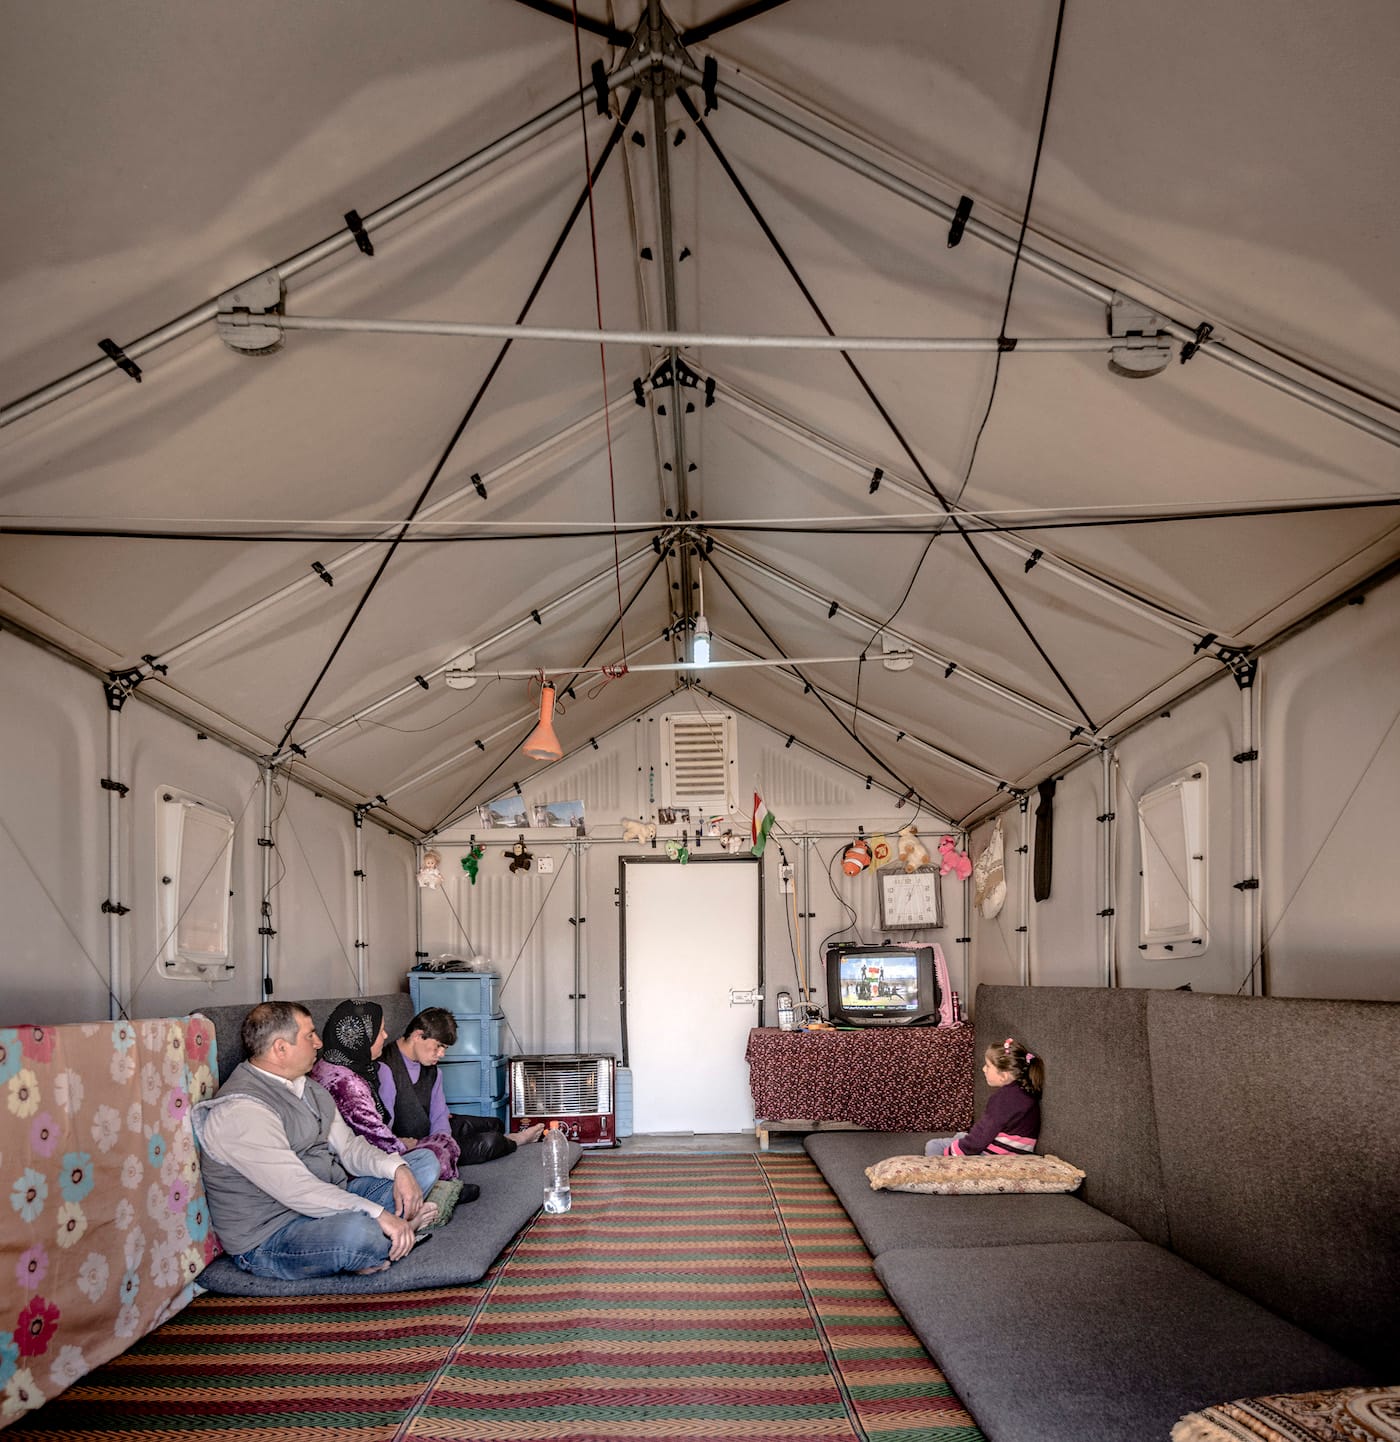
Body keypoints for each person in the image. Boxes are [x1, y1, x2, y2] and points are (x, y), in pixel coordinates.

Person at [192, 1000, 442, 1280]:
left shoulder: (309, 1088)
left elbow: (349, 1148)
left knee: (424, 1163)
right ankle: (398, 1228)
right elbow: (298, 1190)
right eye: (309, 1035)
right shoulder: (241, 1111)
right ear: (280, 1048)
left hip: (330, 1201)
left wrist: (398, 1169)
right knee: (358, 1232)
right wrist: (378, 1215)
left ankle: (392, 1234)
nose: (319, 1043)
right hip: (276, 1233)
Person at [310, 998, 461, 1180]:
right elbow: (377, 1141)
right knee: (433, 1156)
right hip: (362, 1167)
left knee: (470, 1131)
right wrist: (404, 1145)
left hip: (369, 1152)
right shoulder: (348, 1085)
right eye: (380, 1031)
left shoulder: (334, 1064)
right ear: (360, 1037)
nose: (386, 1036)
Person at [380, 1007, 545, 1168]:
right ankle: (517, 1140)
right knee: (490, 1142)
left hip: (431, 1131)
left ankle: (501, 1138)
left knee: (495, 1124)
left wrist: (443, 1141)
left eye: (444, 1048)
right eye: (438, 1046)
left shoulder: (433, 1070)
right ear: (418, 1035)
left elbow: (438, 1114)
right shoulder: (386, 1067)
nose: (441, 1054)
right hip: (412, 1144)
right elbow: (381, 1131)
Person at [925, 1036, 1043, 1157]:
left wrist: (951, 1153)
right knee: (961, 1135)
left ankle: (939, 1172)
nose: (983, 1069)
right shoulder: (1025, 1090)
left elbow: (981, 1136)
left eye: (988, 1066)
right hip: (1016, 1151)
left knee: (934, 1145)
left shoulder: (1003, 1099)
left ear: (1004, 1076)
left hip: (996, 1155)